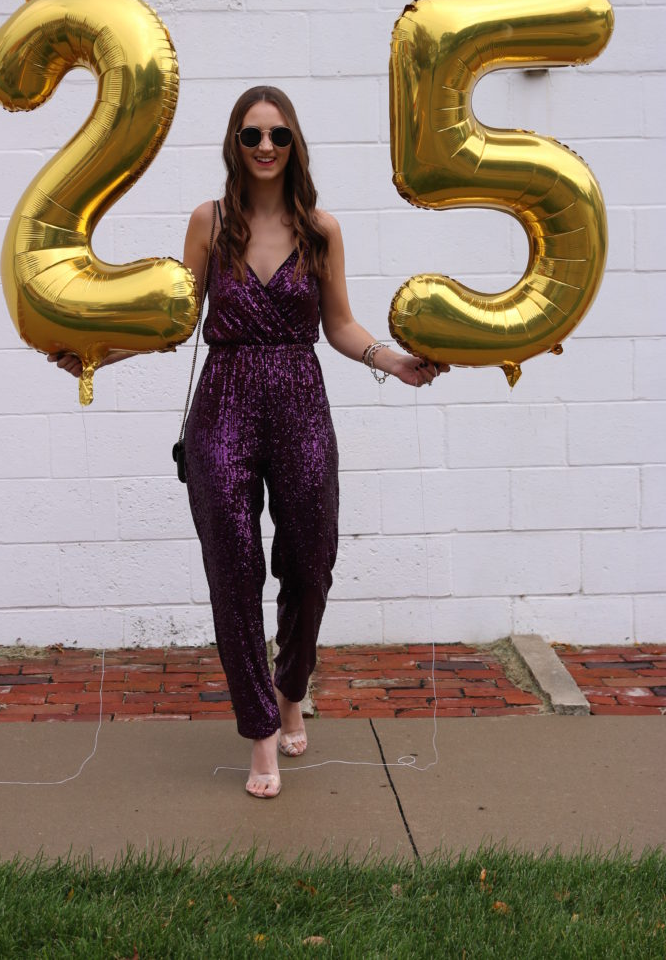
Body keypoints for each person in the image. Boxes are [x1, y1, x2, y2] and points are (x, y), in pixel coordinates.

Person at [50, 85, 447, 800]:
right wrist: (95, 354)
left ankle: (292, 686)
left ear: (296, 146)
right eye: (251, 136)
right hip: (224, 407)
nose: (265, 147)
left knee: (311, 561)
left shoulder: (321, 229)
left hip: (300, 400)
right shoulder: (210, 222)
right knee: (235, 573)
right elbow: (176, 321)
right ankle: (262, 734)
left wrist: (397, 364)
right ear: (234, 145)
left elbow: (342, 326)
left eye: (279, 136)